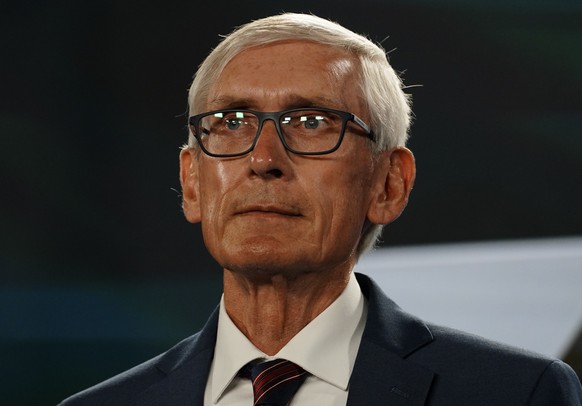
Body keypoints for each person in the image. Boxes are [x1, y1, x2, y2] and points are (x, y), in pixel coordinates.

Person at [61, 12, 581, 405]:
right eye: (232, 122)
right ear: (192, 181)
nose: (263, 160)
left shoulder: (515, 393)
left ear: (389, 184)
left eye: (311, 123)